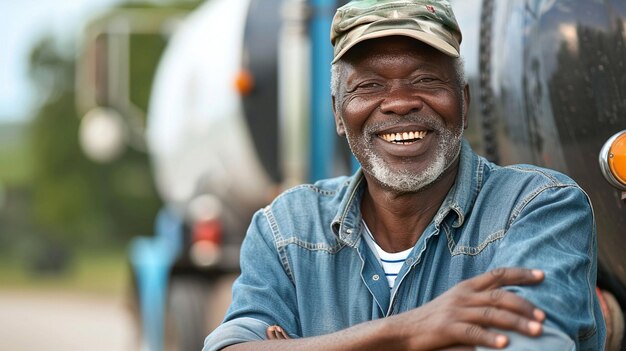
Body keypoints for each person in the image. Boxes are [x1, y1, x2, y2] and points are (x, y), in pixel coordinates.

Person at [204, 0, 606, 349]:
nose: (399, 102)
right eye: (370, 85)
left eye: (426, 79)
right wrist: (409, 332)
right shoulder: (287, 228)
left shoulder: (538, 208)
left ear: (463, 101)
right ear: (338, 113)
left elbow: (525, 345)